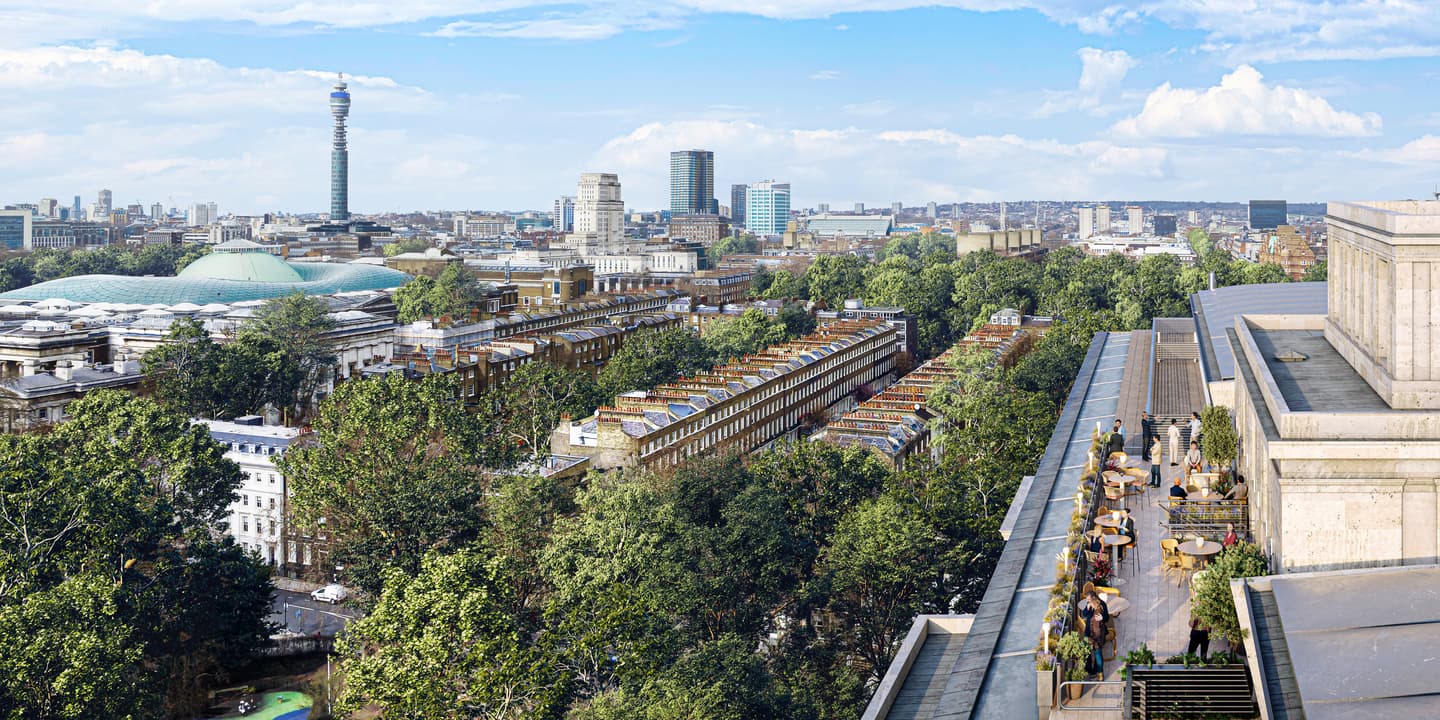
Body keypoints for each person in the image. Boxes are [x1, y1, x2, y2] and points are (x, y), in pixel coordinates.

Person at [1081, 591, 1110, 675]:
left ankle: (1098, 672)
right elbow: (1084, 614)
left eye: (1089, 600)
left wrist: (1102, 618)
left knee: (1097, 652)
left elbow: (1107, 617)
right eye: (1087, 600)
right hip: (1088, 631)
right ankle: (1089, 668)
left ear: (1093, 598)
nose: (1088, 601)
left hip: (1098, 633)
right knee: (1087, 650)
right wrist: (1087, 607)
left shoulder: (1102, 605)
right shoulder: (1089, 604)